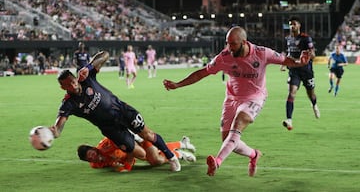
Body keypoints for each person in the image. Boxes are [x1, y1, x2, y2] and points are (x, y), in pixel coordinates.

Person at [163, 26, 311, 177]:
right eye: (228, 43)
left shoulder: (262, 53)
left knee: (238, 125)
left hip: (254, 98)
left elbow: (285, 60)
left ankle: (217, 162)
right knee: (229, 140)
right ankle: (254, 155)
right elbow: (202, 72)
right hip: (231, 99)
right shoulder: (224, 56)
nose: (229, 47)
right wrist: (178, 84)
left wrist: (300, 62)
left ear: (244, 42)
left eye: (233, 44)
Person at [49, 50, 181, 172]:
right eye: (68, 85)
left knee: (148, 135)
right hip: (111, 129)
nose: (73, 85)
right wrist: (55, 132)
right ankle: (166, 150)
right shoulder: (68, 104)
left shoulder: (86, 78)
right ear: (62, 87)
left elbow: (104, 55)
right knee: (143, 155)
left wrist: (89, 67)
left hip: (122, 111)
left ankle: (172, 158)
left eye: (73, 81)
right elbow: (59, 127)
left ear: (74, 78)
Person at [281, 16, 320, 131]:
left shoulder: (305, 38)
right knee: (291, 93)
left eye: (294, 24)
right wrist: (284, 64)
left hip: (306, 71)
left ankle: (314, 105)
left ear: (299, 25)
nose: (292, 26)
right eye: (290, 24)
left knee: (311, 94)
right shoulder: (288, 39)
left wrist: (308, 55)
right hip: (294, 70)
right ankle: (289, 120)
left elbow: (313, 55)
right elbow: (288, 54)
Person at [77, 135, 196, 172]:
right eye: (90, 158)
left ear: (94, 148)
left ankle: (179, 154)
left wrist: (127, 166)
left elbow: (130, 149)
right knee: (152, 156)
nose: (94, 158)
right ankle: (181, 145)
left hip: (137, 141)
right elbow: (114, 164)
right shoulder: (96, 164)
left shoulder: (108, 145)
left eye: (92, 154)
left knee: (154, 159)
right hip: (133, 148)